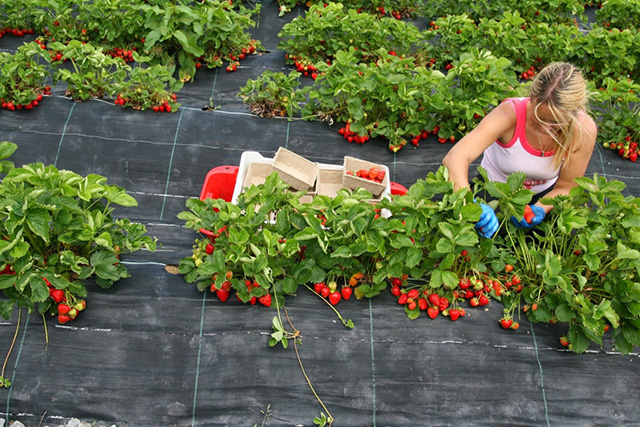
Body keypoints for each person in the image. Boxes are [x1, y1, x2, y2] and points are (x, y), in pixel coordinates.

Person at [442, 62, 598, 238]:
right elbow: (455, 157)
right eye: (540, 118)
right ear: (532, 98)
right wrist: (469, 204)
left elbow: (566, 186)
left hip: (544, 193)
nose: (546, 128)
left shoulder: (583, 130)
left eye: (555, 123)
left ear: (574, 114)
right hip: (494, 188)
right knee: (471, 237)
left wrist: (540, 208)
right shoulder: (510, 114)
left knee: (554, 243)